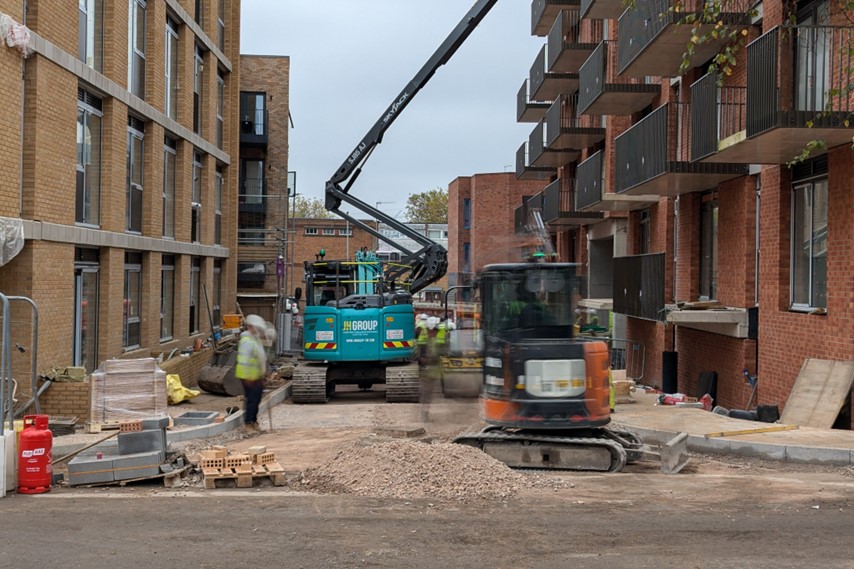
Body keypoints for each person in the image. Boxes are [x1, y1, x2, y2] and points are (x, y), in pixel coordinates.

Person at [235, 314, 268, 433]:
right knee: (252, 400)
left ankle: (253, 421)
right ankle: (249, 423)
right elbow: (244, 361)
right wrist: (248, 377)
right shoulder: (247, 341)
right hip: (249, 377)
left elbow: (260, 357)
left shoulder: (255, 340)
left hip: (256, 376)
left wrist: (263, 373)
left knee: (256, 399)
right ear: (250, 327)